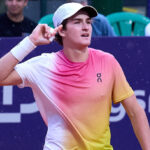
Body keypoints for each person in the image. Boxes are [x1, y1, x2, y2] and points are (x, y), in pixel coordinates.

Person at [0, 2, 149, 150]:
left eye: (88, 22)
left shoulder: (107, 61)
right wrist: (30, 42)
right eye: (77, 22)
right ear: (62, 31)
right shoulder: (44, 65)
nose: (86, 27)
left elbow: (135, 112)